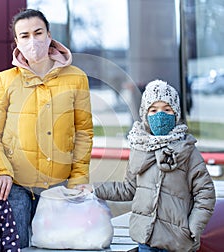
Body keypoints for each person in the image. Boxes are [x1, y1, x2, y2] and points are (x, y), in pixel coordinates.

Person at [0, 9, 93, 248]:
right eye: (25, 35)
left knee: (58, 246)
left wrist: (79, 177)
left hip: (58, 187)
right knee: (15, 246)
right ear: (17, 42)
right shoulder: (3, 80)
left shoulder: (77, 78)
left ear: (49, 35)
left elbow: (83, 132)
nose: (33, 41)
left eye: (38, 32)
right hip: (14, 187)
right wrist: (0, 170)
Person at [76, 80, 216, 252]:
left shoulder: (188, 151)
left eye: (167, 109)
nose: (160, 115)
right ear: (145, 114)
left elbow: (206, 194)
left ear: (176, 113)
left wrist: (193, 227)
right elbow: (128, 189)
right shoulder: (139, 149)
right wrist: (95, 188)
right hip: (146, 241)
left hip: (177, 242)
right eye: (153, 110)